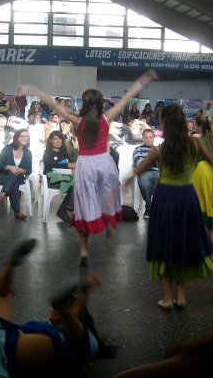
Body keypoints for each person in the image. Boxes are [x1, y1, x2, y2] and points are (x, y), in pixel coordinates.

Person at [18, 69, 159, 266]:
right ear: (101, 103)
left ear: (84, 104)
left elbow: (52, 103)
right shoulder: (106, 117)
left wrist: (30, 88)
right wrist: (143, 79)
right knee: (108, 199)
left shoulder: (78, 120)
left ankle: (84, 251)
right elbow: (126, 98)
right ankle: (109, 226)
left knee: (84, 207)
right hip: (104, 162)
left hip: (86, 164)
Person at [0, 239, 114, 378]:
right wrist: (77, 296)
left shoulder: (83, 342)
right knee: (1, 294)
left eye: (60, 309)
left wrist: (82, 294)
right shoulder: (52, 330)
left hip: (5, 350)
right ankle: (10, 267)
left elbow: (75, 319)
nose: (53, 310)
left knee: (73, 333)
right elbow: (73, 315)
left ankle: (11, 267)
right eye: (56, 308)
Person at [128, 105, 213, 309]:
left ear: (164, 124)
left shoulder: (159, 150)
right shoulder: (194, 144)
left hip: (165, 199)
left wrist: (122, 184)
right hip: (187, 198)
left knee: (164, 243)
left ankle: (168, 298)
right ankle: (181, 295)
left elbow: (137, 171)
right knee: (182, 242)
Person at [0, 128, 33, 220]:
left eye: (27, 136)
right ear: (16, 137)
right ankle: (17, 212)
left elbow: (29, 170)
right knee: (14, 181)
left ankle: (3, 194)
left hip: (19, 177)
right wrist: (10, 167)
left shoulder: (28, 153)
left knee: (15, 175)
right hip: (3, 176)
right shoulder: (7, 148)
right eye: (22, 136)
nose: (25, 138)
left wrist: (21, 170)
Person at [192, 114, 213, 236]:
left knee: (200, 202)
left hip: (201, 171)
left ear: (198, 126)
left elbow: (193, 159)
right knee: (211, 202)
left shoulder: (196, 140)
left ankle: (201, 235)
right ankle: (211, 233)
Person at [42, 130, 75, 223]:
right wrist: (67, 165)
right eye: (55, 139)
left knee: (79, 183)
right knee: (75, 185)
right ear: (50, 141)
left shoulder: (64, 152)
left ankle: (64, 209)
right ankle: (64, 210)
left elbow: (72, 162)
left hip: (65, 175)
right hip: (52, 177)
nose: (58, 141)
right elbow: (51, 163)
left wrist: (72, 167)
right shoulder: (48, 152)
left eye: (60, 139)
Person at [133, 129, 159, 219]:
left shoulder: (159, 148)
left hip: (158, 172)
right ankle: (149, 208)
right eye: (146, 138)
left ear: (154, 138)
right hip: (145, 172)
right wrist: (154, 161)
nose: (148, 140)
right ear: (143, 139)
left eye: (151, 137)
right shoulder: (138, 149)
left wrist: (147, 161)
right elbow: (138, 162)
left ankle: (159, 207)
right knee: (144, 181)